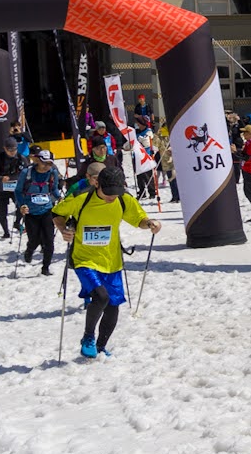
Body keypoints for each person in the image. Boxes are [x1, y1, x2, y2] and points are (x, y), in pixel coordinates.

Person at [53, 164, 160, 358]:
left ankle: (101, 347)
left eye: (116, 192)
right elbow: (57, 213)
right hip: (84, 259)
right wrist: (64, 230)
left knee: (112, 306)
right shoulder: (81, 199)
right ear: (96, 183)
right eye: (108, 192)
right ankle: (88, 337)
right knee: (101, 297)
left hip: (112, 261)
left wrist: (151, 224)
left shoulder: (124, 199)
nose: (112, 196)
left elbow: (139, 219)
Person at [14, 148, 65, 274]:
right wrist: (21, 205)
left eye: (50, 163)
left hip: (47, 209)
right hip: (31, 211)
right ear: (38, 161)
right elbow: (18, 191)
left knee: (49, 241)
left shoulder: (52, 173)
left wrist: (59, 197)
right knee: (34, 240)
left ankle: (45, 268)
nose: (47, 166)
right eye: (45, 163)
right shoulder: (27, 172)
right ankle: (29, 251)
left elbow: (53, 190)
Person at [0, 142, 24, 238]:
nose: (13, 152)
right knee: (3, 211)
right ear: (5, 149)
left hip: (16, 188)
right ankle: (6, 232)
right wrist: (0, 178)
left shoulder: (21, 158)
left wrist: (15, 178)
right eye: (10, 150)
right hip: (2, 189)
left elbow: (26, 171)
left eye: (14, 149)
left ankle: (17, 223)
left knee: (21, 206)